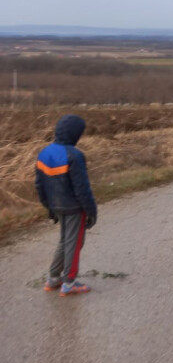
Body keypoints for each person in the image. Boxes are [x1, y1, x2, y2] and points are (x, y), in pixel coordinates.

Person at [35, 114, 98, 297]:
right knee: (74, 243)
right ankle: (69, 283)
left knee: (64, 241)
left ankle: (53, 279)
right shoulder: (75, 155)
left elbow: (39, 185)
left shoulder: (44, 153)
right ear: (75, 134)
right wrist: (91, 211)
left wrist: (49, 207)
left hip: (56, 206)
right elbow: (82, 188)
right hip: (74, 208)